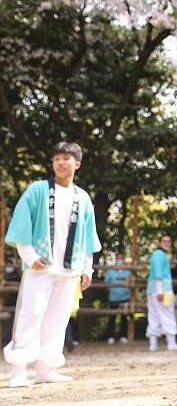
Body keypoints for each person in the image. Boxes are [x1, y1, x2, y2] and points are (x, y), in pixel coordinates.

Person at [3, 142, 101, 387]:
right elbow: (22, 223)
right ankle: (18, 370)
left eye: (66, 158)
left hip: (69, 270)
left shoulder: (83, 198)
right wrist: (29, 256)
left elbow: (88, 237)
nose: (60, 162)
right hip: (40, 266)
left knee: (58, 320)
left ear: (76, 164)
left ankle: (46, 369)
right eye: (56, 158)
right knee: (30, 315)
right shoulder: (38, 190)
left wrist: (87, 268)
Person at [146, 234, 177, 351]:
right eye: (164, 241)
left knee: (154, 315)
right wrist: (160, 290)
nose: (167, 243)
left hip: (152, 289)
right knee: (167, 313)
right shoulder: (159, 255)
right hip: (162, 289)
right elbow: (158, 273)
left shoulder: (158, 255)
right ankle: (171, 343)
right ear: (160, 243)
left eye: (169, 241)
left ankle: (153, 344)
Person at [104, 253, 131, 344]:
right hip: (113, 298)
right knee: (112, 318)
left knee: (124, 318)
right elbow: (106, 283)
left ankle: (123, 336)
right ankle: (110, 337)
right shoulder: (111, 271)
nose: (120, 260)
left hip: (125, 297)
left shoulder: (128, 271)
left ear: (124, 259)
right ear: (116, 259)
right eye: (118, 258)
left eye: (121, 258)